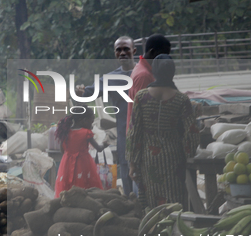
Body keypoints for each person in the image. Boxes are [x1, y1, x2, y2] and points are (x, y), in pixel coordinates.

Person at [126, 55, 200, 209]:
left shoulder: (141, 97)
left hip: (148, 159)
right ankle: (174, 231)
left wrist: (132, 163)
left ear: (155, 71)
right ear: (172, 73)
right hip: (174, 159)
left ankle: (154, 232)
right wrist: (189, 157)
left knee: (152, 204)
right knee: (175, 203)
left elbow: (134, 132)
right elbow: (191, 133)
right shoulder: (181, 99)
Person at [77, 36, 137, 195]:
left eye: (126, 49)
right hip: (124, 135)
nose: (122, 53)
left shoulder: (143, 73)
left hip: (146, 135)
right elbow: (86, 93)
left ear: (134, 51)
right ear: (115, 54)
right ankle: (135, 214)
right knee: (126, 174)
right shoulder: (110, 79)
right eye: (119, 50)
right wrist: (79, 91)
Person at [54, 107, 110, 198]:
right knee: (85, 185)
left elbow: (62, 149)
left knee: (67, 186)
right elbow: (99, 149)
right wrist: (105, 144)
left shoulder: (66, 131)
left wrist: (69, 156)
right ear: (83, 120)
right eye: (91, 121)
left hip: (66, 163)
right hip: (84, 163)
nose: (92, 125)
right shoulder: (86, 132)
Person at [126, 34, 172, 132]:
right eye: (162, 56)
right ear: (152, 53)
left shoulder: (145, 70)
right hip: (143, 139)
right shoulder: (144, 76)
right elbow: (147, 114)